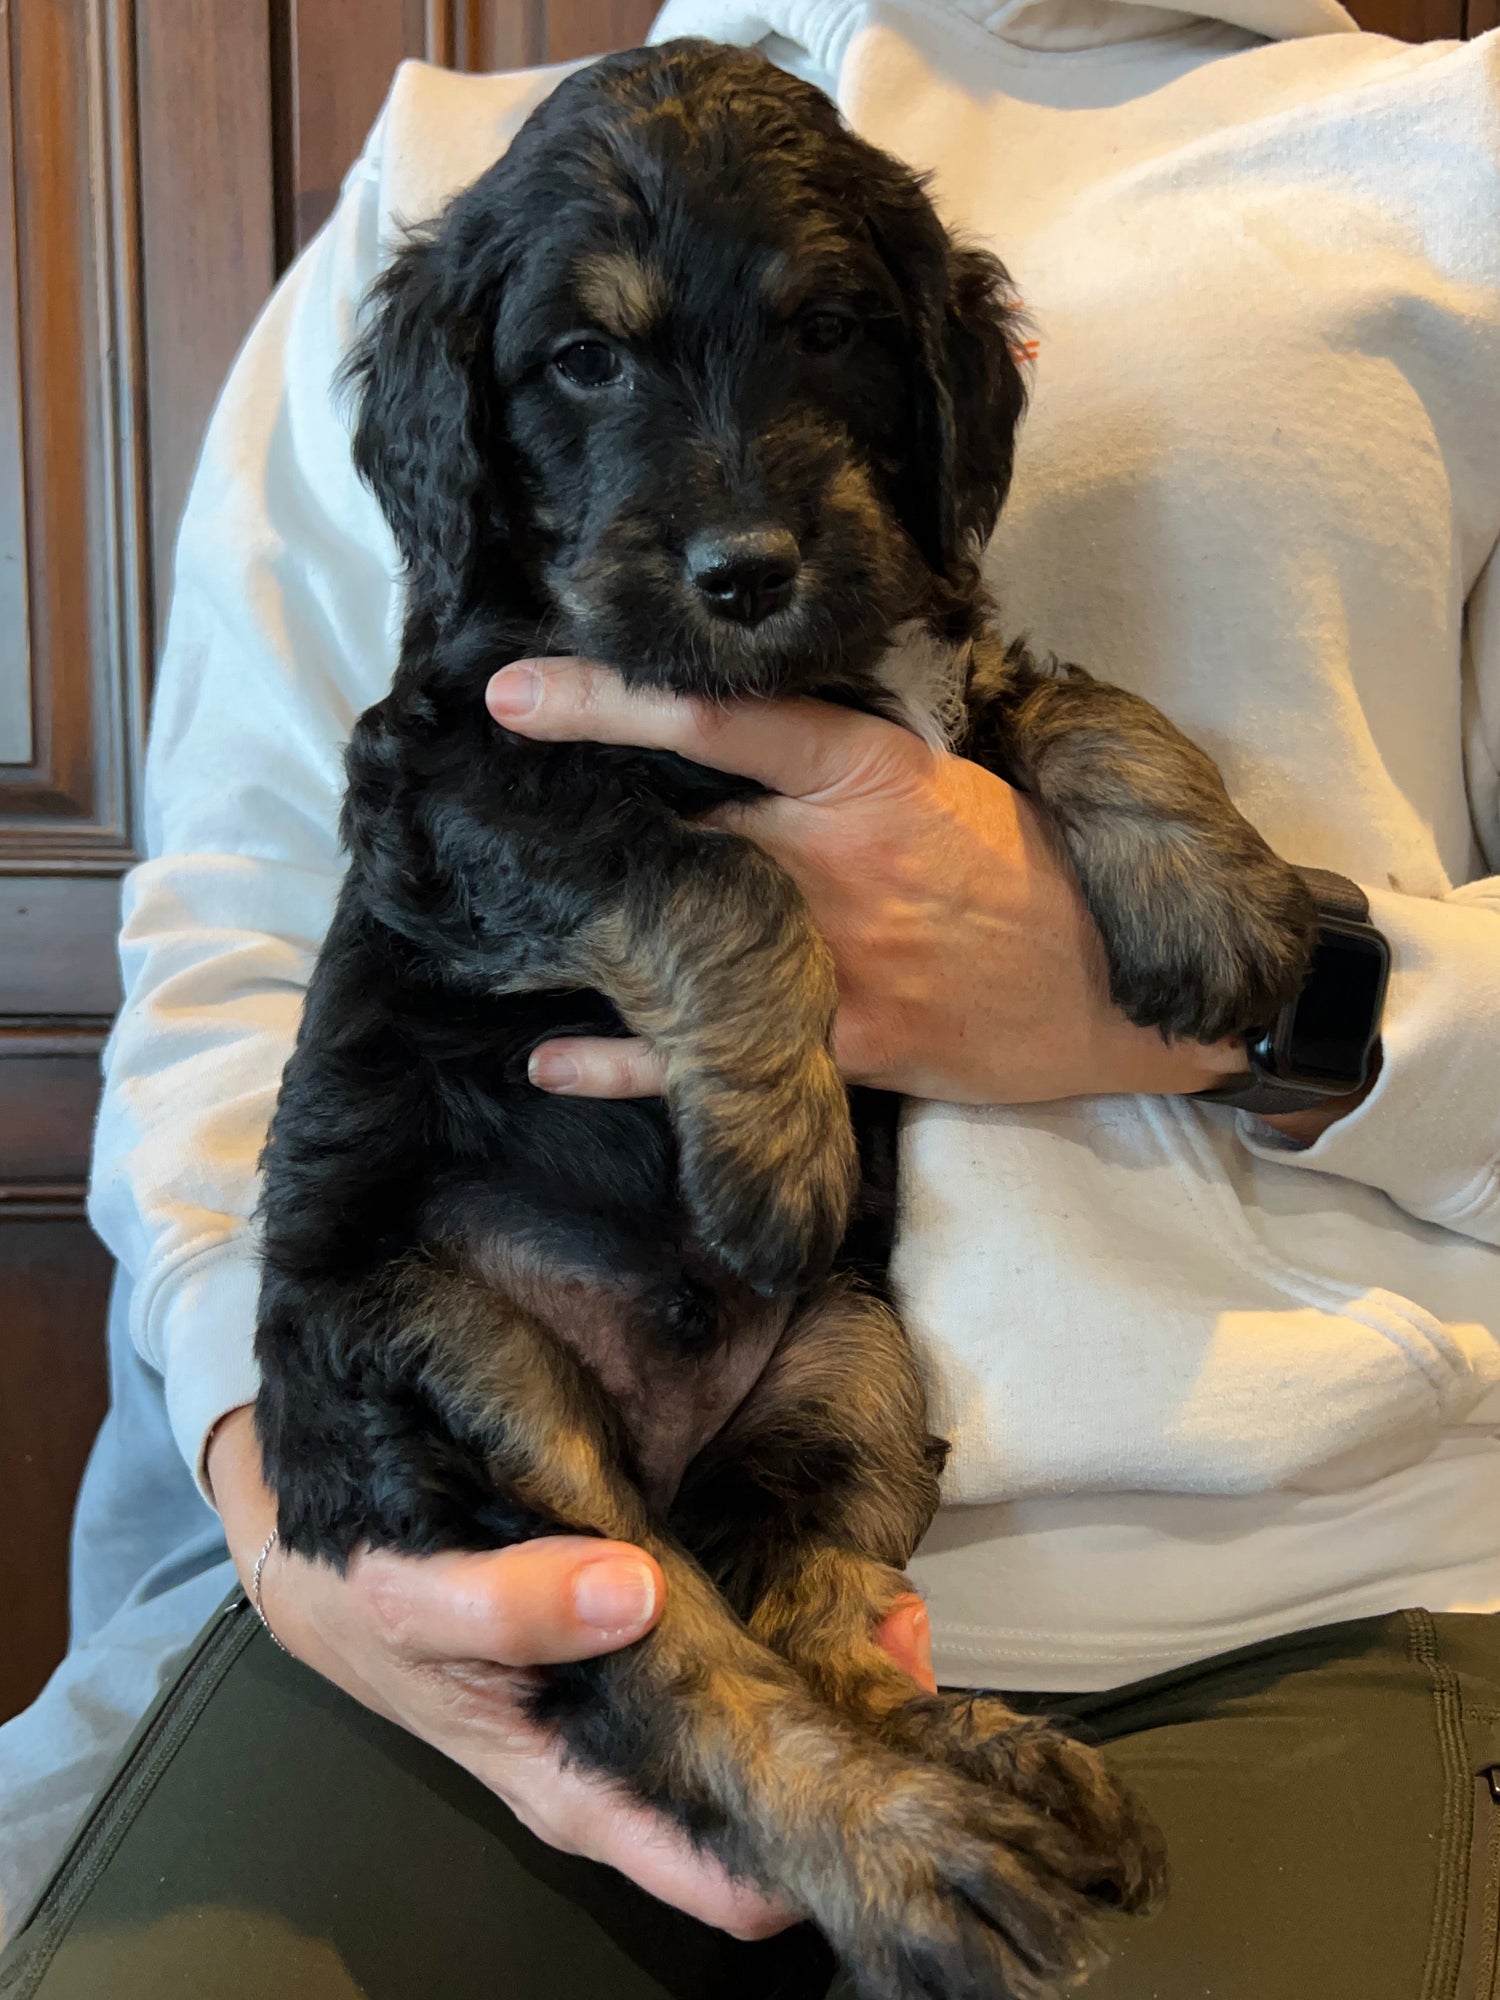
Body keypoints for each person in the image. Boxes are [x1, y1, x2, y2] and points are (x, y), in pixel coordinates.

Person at [1, 0, 1498, 1989]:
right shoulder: (435, 191)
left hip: (1287, 1581)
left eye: (827, 339)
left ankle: (824, 1688)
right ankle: (770, 1754)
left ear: (940, 388)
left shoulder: (1451, 151)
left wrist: (1282, 998)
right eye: (593, 363)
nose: (734, 495)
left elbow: (1002, 687)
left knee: (854, 1380)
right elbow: (238, 928)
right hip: (462, 1375)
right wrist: (265, 1491)